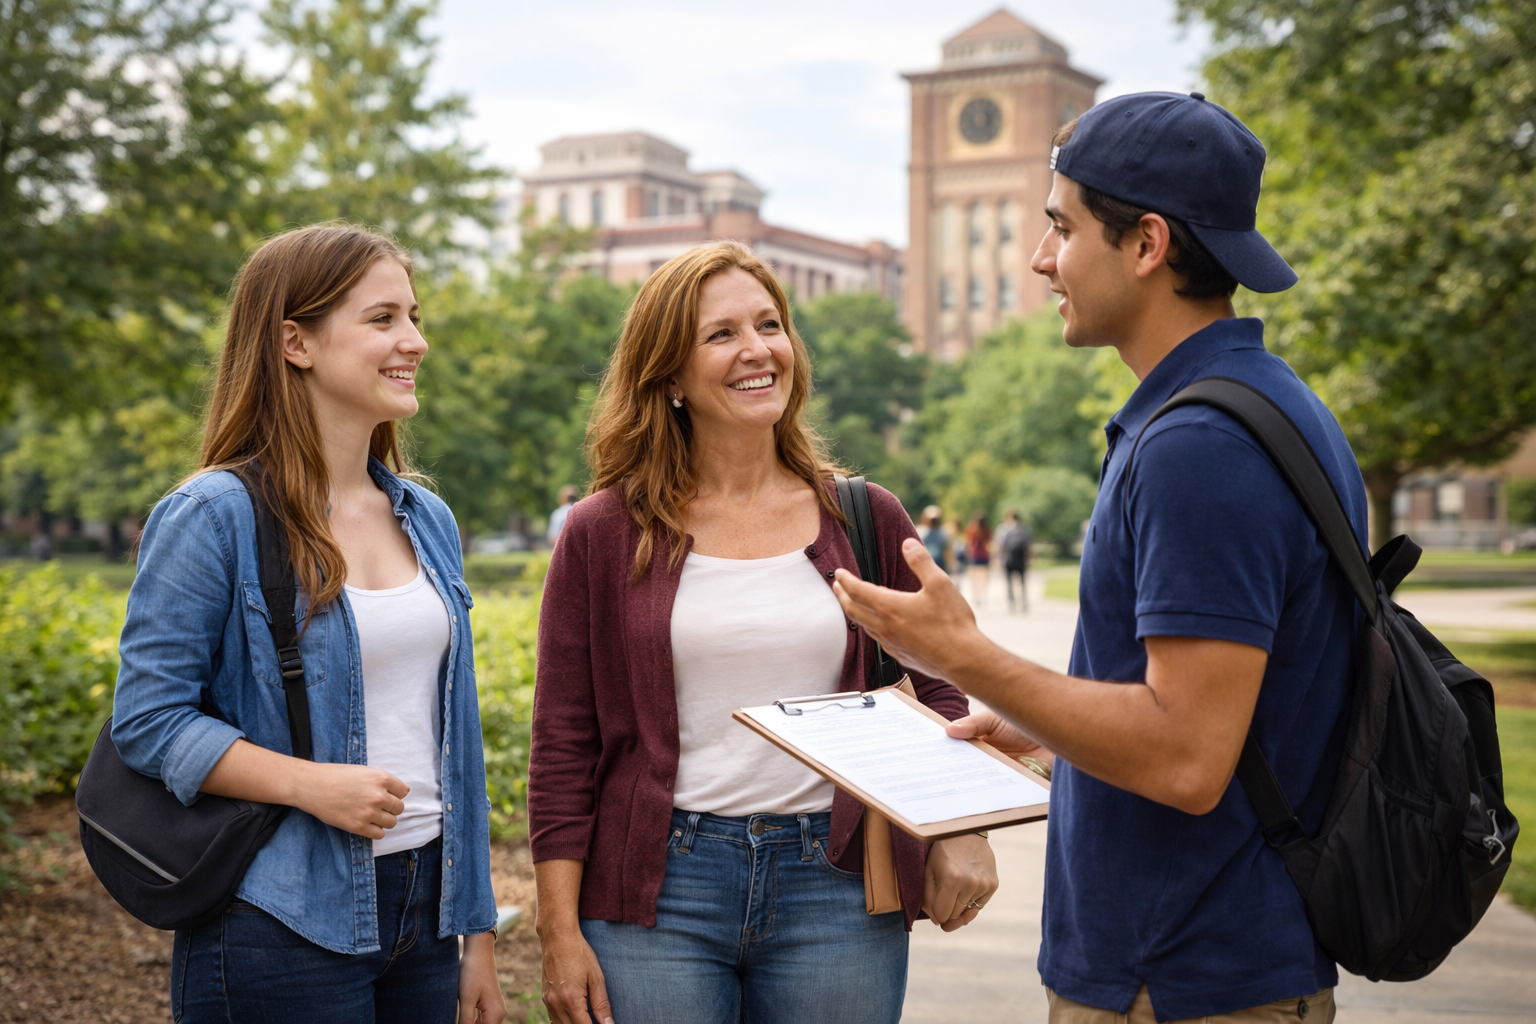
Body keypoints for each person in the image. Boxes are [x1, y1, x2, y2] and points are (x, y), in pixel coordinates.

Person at [832, 93, 1364, 1024]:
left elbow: (1189, 755)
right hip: (1199, 962)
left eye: (1062, 228)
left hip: (1184, 974)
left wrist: (965, 656)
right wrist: (1044, 727)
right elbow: (1226, 704)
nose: (1041, 259)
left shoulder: (1201, 446)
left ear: (1148, 244)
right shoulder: (1259, 405)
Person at [528, 241, 998, 1024]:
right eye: (721, 335)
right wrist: (556, 930)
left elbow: (948, 685)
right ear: (669, 374)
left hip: (837, 884)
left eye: (770, 325)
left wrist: (963, 828)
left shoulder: (864, 517)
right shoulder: (602, 532)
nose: (757, 351)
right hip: (657, 894)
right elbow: (563, 744)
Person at [111, 224, 504, 1024]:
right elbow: (148, 723)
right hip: (277, 917)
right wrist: (310, 785)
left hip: (423, 920)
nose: (415, 341)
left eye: (415, 316)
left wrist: (477, 937)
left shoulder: (426, 516)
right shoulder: (213, 515)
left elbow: (456, 739)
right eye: (383, 319)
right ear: (296, 342)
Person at [998, 510, 1033, 613]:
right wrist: (1030, 559)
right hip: (1020, 559)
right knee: (1022, 583)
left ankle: (1012, 604)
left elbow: (1001, 546)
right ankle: (1023, 604)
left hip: (1008, 559)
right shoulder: (1024, 529)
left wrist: (999, 560)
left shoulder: (1004, 529)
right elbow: (1028, 546)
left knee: (1009, 583)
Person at [963, 512, 992, 606]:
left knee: (973, 578)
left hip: (974, 555)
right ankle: (982, 595)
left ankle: (975, 595)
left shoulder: (972, 529)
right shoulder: (987, 530)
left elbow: (968, 543)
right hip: (984, 555)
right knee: (983, 578)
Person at [918, 504, 949, 572]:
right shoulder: (921, 533)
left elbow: (946, 550)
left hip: (940, 563)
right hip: (926, 562)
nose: (933, 522)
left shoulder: (942, 533)